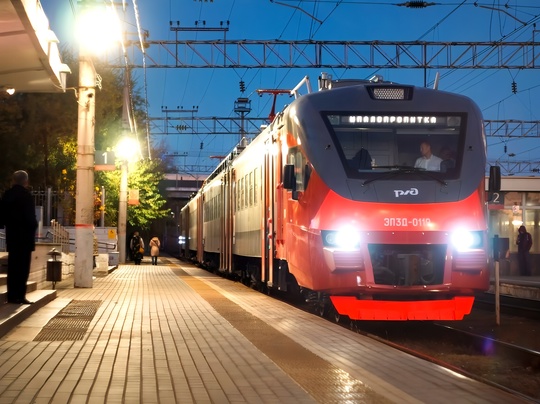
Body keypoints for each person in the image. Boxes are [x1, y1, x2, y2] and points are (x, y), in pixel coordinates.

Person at [1, 171, 38, 304]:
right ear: (26, 181)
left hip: (12, 236)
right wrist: (33, 227)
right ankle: (20, 295)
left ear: (14, 180)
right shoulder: (26, 196)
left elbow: (2, 215)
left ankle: (11, 295)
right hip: (25, 237)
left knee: (13, 266)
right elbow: (30, 218)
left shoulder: (7, 195)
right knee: (23, 267)